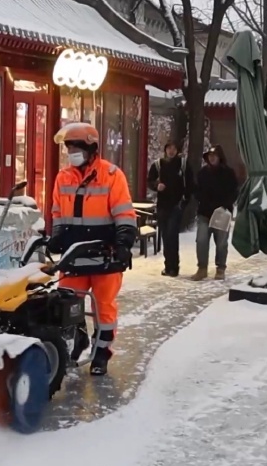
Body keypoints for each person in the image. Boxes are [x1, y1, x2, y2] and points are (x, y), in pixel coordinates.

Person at [49, 122, 137, 376]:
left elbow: (124, 213)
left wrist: (123, 243)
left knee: (103, 307)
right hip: (73, 255)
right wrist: (56, 236)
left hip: (104, 254)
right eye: (69, 147)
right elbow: (57, 211)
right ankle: (79, 341)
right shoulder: (63, 177)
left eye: (76, 147)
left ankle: (101, 353)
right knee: (68, 304)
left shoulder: (111, 175)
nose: (71, 152)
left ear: (91, 148)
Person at [191, 145, 238, 281]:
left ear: (220, 157)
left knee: (222, 242)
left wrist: (225, 205)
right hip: (205, 213)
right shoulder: (202, 173)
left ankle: (220, 268)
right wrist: (201, 198)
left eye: (214, 156)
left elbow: (234, 191)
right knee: (201, 240)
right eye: (209, 156)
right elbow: (196, 190)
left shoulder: (228, 173)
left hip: (222, 213)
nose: (212, 158)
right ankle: (202, 268)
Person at [147, 141, 193, 277]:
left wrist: (185, 201)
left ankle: (174, 267)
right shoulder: (158, 164)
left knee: (172, 235)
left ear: (177, 150)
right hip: (162, 205)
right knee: (166, 236)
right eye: (169, 148)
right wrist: (156, 185)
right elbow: (150, 180)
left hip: (176, 205)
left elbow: (189, 183)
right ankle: (168, 266)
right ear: (165, 150)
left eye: (174, 148)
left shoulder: (183, 164)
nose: (171, 151)